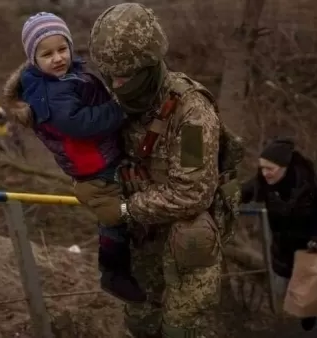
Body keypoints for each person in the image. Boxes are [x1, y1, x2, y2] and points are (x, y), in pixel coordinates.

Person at [80, 3, 244, 337]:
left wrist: (124, 209)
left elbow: (192, 193)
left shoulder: (192, 113)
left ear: (149, 66)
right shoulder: (118, 103)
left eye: (125, 77)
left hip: (187, 245)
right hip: (143, 241)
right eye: (111, 76)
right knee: (140, 323)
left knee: (181, 329)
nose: (117, 84)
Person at [3, 12, 145, 304]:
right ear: (33, 59)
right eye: (47, 54)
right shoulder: (49, 93)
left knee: (124, 215)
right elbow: (81, 125)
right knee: (114, 218)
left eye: (62, 49)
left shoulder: (69, 76)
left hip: (103, 160)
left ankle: (127, 267)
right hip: (94, 170)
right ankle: (113, 273)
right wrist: (119, 109)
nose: (57, 58)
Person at [241, 137, 317, 338]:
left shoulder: (311, 182)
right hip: (287, 249)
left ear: (285, 167)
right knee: (297, 290)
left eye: (270, 168)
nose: (265, 173)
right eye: (262, 168)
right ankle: (308, 310)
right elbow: (238, 193)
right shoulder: (263, 183)